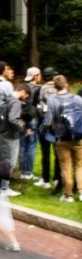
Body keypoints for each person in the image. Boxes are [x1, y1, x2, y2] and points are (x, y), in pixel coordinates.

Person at [0, 81, 29, 197]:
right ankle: (4, 188)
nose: (26, 98)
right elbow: (13, 120)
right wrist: (23, 129)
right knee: (10, 163)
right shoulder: (15, 103)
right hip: (10, 136)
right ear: (23, 92)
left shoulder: (1, 100)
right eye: (26, 95)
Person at [41, 74, 82, 203]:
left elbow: (48, 121)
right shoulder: (77, 98)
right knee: (79, 165)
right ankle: (81, 192)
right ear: (66, 84)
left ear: (55, 86)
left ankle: (68, 195)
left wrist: (42, 130)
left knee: (65, 167)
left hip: (61, 137)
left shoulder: (52, 101)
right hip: (78, 137)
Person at [35, 66, 60, 191]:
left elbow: (37, 106)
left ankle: (45, 180)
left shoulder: (41, 89)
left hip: (44, 124)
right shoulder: (59, 88)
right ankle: (57, 178)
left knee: (45, 153)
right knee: (58, 153)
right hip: (57, 125)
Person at [19, 66, 42, 180]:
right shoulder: (39, 89)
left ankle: (22, 172)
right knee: (31, 146)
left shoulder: (21, 87)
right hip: (33, 120)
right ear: (35, 76)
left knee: (22, 146)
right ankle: (28, 173)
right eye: (39, 74)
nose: (40, 77)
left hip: (21, 120)